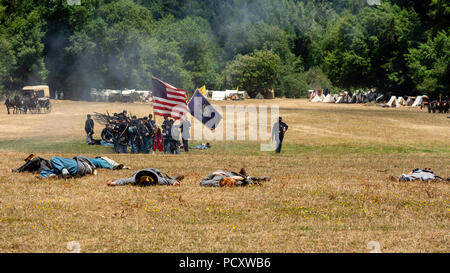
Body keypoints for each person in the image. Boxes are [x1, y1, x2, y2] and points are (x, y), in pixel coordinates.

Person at [38, 156, 128, 179]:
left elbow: (100, 161)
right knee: (53, 160)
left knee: (53, 161)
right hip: (80, 168)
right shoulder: (94, 160)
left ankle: (62, 173)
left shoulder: (98, 159)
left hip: (79, 169)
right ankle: (62, 172)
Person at [107, 168, 183, 187]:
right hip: (146, 171)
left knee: (171, 178)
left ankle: (179, 177)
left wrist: (174, 182)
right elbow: (124, 181)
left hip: (158, 173)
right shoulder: (135, 178)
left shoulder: (158, 179)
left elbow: (167, 181)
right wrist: (114, 182)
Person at [200, 168, 270, 187]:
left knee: (242, 176)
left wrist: (214, 173)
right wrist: (243, 179)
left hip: (222, 173)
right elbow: (244, 183)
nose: (235, 183)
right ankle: (255, 179)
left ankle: (255, 178)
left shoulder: (214, 182)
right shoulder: (236, 183)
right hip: (232, 175)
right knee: (245, 178)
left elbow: (202, 182)